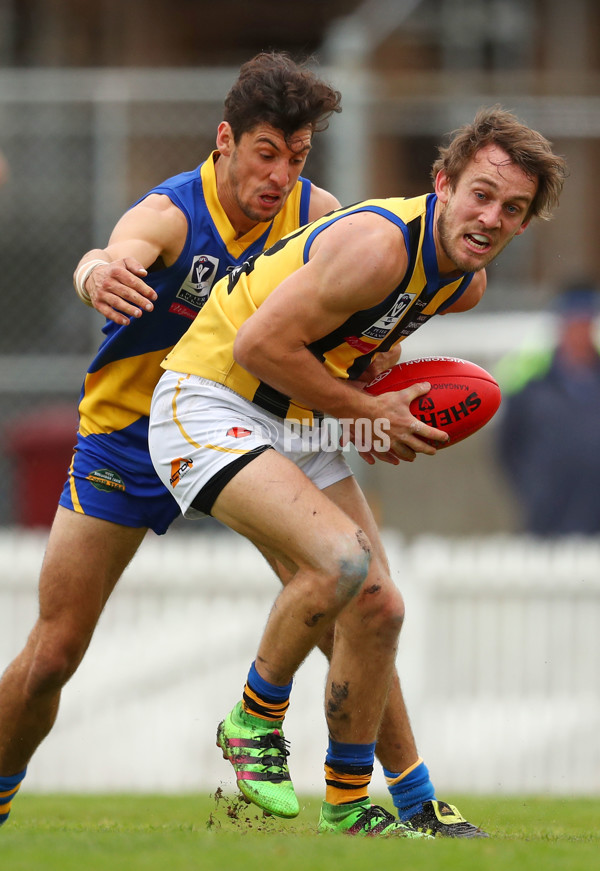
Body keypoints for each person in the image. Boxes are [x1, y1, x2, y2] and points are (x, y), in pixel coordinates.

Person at [0, 50, 478, 838]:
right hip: (128, 437)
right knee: (53, 652)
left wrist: (374, 352)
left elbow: (355, 303)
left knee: (360, 600)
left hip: (258, 423)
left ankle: (415, 796)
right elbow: (115, 251)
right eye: (265, 154)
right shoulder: (173, 212)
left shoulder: (320, 212)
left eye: (295, 157)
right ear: (224, 140)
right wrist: (96, 274)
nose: (280, 176)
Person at [147, 105, 566, 837]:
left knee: (379, 607)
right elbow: (256, 344)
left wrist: (371, 377)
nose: (492, 217)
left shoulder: (463, 283)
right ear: (442, 182)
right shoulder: (380, 244)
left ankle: (353, 805)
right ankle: (253, 719)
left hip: (294, 415)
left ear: (524, 223)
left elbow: (352, 341)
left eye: (513, 208)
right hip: (210, 398)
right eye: (481, 193)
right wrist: (366, 413)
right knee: (340, 561)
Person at [496, 280, 600, 535]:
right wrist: (534, 488)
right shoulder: (532, 387)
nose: (580, 333)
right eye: (574, 324)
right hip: (548, 520)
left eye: (586, 324)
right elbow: (507, 446)